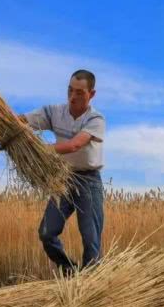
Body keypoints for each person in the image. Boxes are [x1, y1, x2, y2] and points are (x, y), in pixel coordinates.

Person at [20, 69, 105, 276]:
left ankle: (91, 288)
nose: (72, 97)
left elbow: (75, 145)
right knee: (47, 233)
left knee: (91, 241)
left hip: (88, 181)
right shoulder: (54, 112)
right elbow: (21, 120)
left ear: (91, 94)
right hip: (64, 179)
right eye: (70, 90)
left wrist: (40, 150)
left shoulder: (96, 119)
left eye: (79, 93)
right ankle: (71, 273)